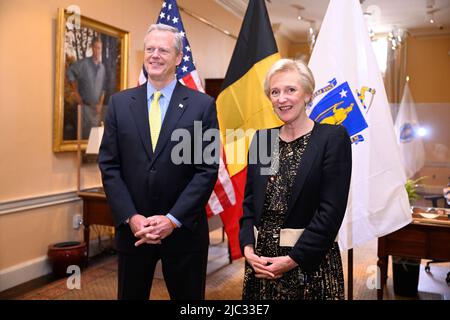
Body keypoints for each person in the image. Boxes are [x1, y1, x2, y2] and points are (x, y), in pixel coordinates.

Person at [98, 24, 219, 300]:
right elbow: (110, 166)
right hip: (135, 232)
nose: (154, 55)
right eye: (150, 49)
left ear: (178, 58)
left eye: (163, 50)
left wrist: (172, 219)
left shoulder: (203, 106)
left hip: (184, 232)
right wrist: (131, 217)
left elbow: (206, 170)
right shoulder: (119, 103)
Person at [239, 59, 352, 300]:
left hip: (310, 265)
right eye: (275, 92)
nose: (282, 98)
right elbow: (249, 204)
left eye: (291, 90)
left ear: (308, 95)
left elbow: (330, 212)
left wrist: (292, 260)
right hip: (261, 265)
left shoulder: (332, 138)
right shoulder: (262, 141)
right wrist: (248, 249)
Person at [67, 37, 106, 139]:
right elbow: (70, 71)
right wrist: (76, 92)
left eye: (100, 48)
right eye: (96, 48)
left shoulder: (102, 68)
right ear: (92, 48)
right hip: (84, 109)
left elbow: (103, 88)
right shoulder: (83, 64)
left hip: (96, 112)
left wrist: (100, 104)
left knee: (94, 143)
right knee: (83, 139)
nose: (98, 51)